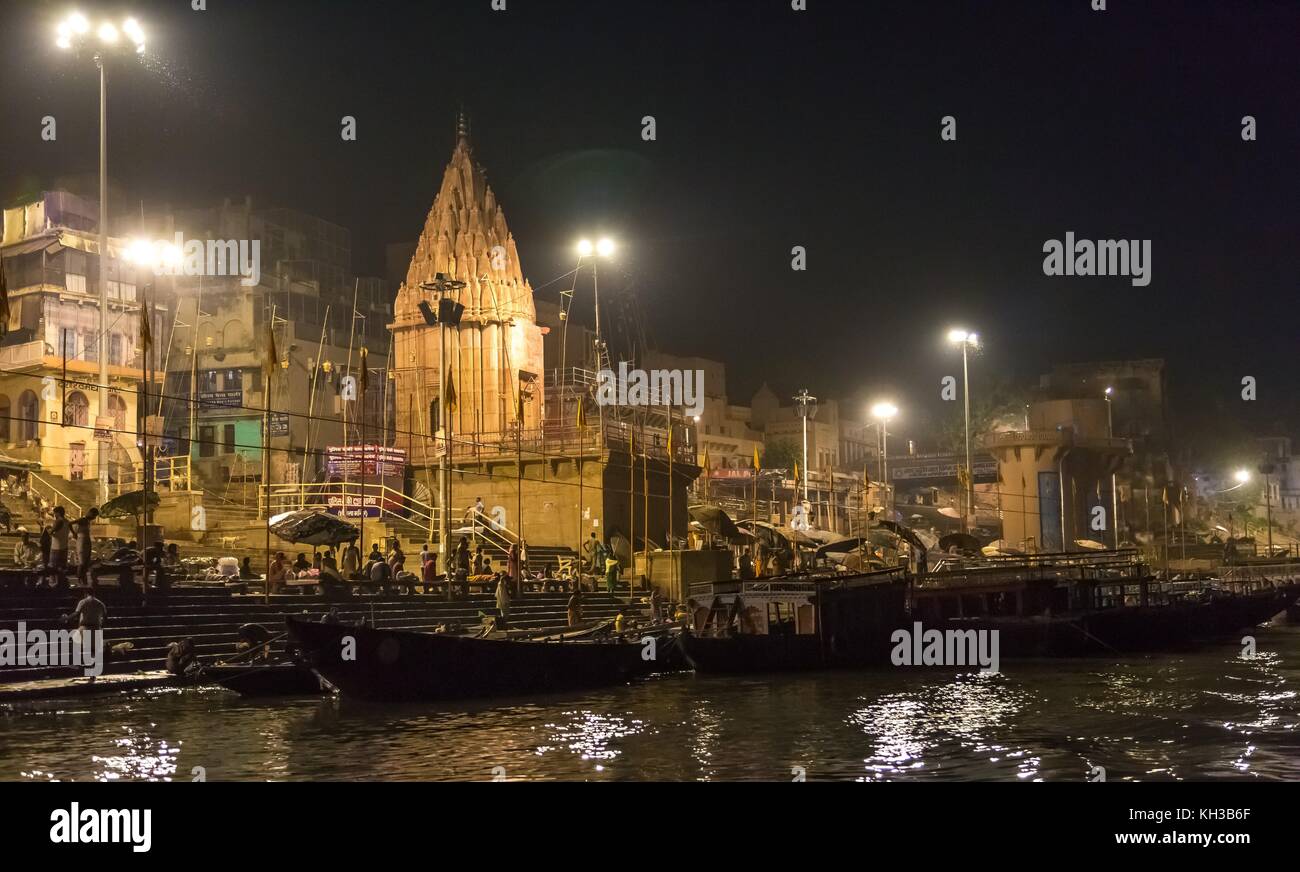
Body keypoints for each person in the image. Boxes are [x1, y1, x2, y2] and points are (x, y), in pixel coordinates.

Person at [71, 507, 100, 587]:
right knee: (82, 562)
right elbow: (70, 523)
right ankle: (80, 579)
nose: (94, 518)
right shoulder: (82, 519)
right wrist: (74, 533)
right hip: (82, 541)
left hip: (87, 541)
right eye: (94, 515)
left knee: (86, 562)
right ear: (90, 512)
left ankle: (84, 579)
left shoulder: (88, 521)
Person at [49, 507, 71, 588]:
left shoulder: (58, 521)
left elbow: (51, 532)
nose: (54, 515)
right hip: (64, 547)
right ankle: (61, 583)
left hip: (56, 548)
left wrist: (46, 529)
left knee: (54, 567)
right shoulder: (67, 521)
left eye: (55, 513)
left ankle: (54, 584)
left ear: (58, 513)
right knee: (62, 567)